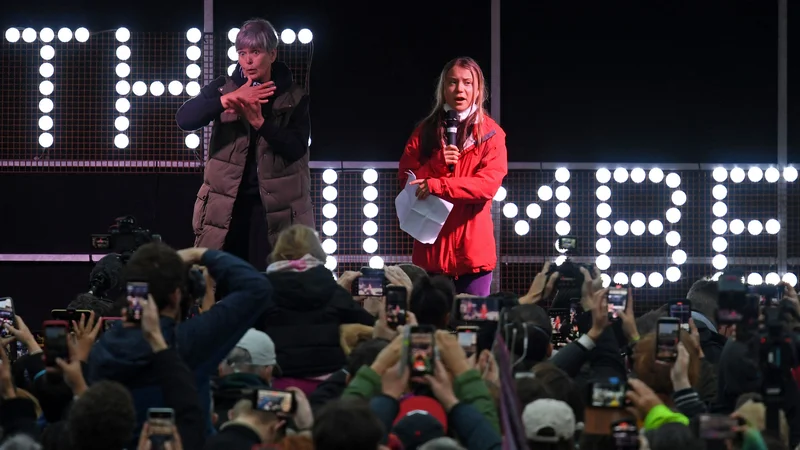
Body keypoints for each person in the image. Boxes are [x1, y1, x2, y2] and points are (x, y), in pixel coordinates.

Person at [176, 18, 312, 271]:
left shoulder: (294, 97)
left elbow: (296, 148)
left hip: (275, 211)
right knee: (224, 285)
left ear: (272, 54)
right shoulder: (223, 88)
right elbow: (185, 118)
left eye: (255, 52)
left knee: (277, 290)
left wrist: (261, 123)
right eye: (242, 53)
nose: (248, 60)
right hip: (227, 208)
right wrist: (228, 100)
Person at [398, 57, 508, 296]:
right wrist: (437, 164)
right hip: (431, 257)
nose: (460, 89)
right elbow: (406, 180)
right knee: (429, 332)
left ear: (478, 89)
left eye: (467, 83)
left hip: (473, 259)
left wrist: (439, 185)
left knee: (472, 330)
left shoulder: (492, 135)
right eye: (453, 82)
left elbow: (486, 187)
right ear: (443, 88)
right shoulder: (425, 132)